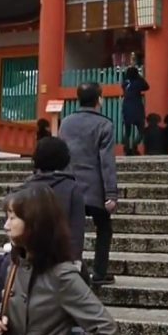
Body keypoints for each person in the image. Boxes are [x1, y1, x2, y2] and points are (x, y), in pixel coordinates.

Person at [0, 186, 117, 335]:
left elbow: (105, 328)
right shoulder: (14, 266)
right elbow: (7, 311)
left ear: (34, 223)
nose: (6, 225)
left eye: (12, 218)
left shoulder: (61, 275)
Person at [58, 82, 118, 286]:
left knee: (73, 229)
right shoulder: (104, 125)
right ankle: (100, 272)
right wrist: (111, 193)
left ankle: (73, 270)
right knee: (104, 227)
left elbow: (62, 155)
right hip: (95, 188)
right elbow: (107, 161)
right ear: (99, 99)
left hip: (70, 186)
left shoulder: (66, 122)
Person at [119, 67, 149, 155]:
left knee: (127, 131)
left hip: (126, 107)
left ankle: (126, 148)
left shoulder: (125, 84)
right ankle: (134, 146)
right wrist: (139, 76)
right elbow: (147, 86)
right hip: (137, 108)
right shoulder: (138, 83)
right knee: (141, 130)